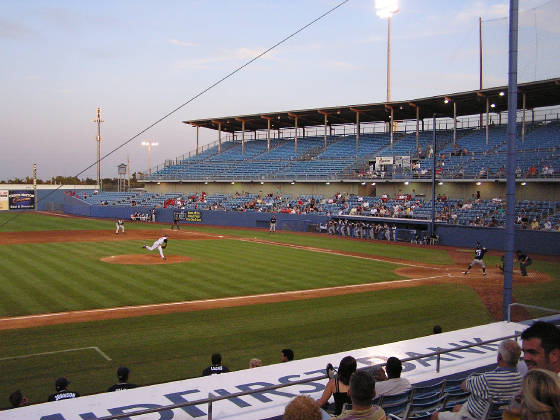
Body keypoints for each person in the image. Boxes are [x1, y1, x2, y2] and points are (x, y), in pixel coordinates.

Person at [431, 339, 522, 420]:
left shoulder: (488, 379)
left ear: (499, 357)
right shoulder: (521, 380)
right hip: (492, 414)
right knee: (457, 408)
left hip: (475, 416)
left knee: (435, 416)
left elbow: (464, 385)